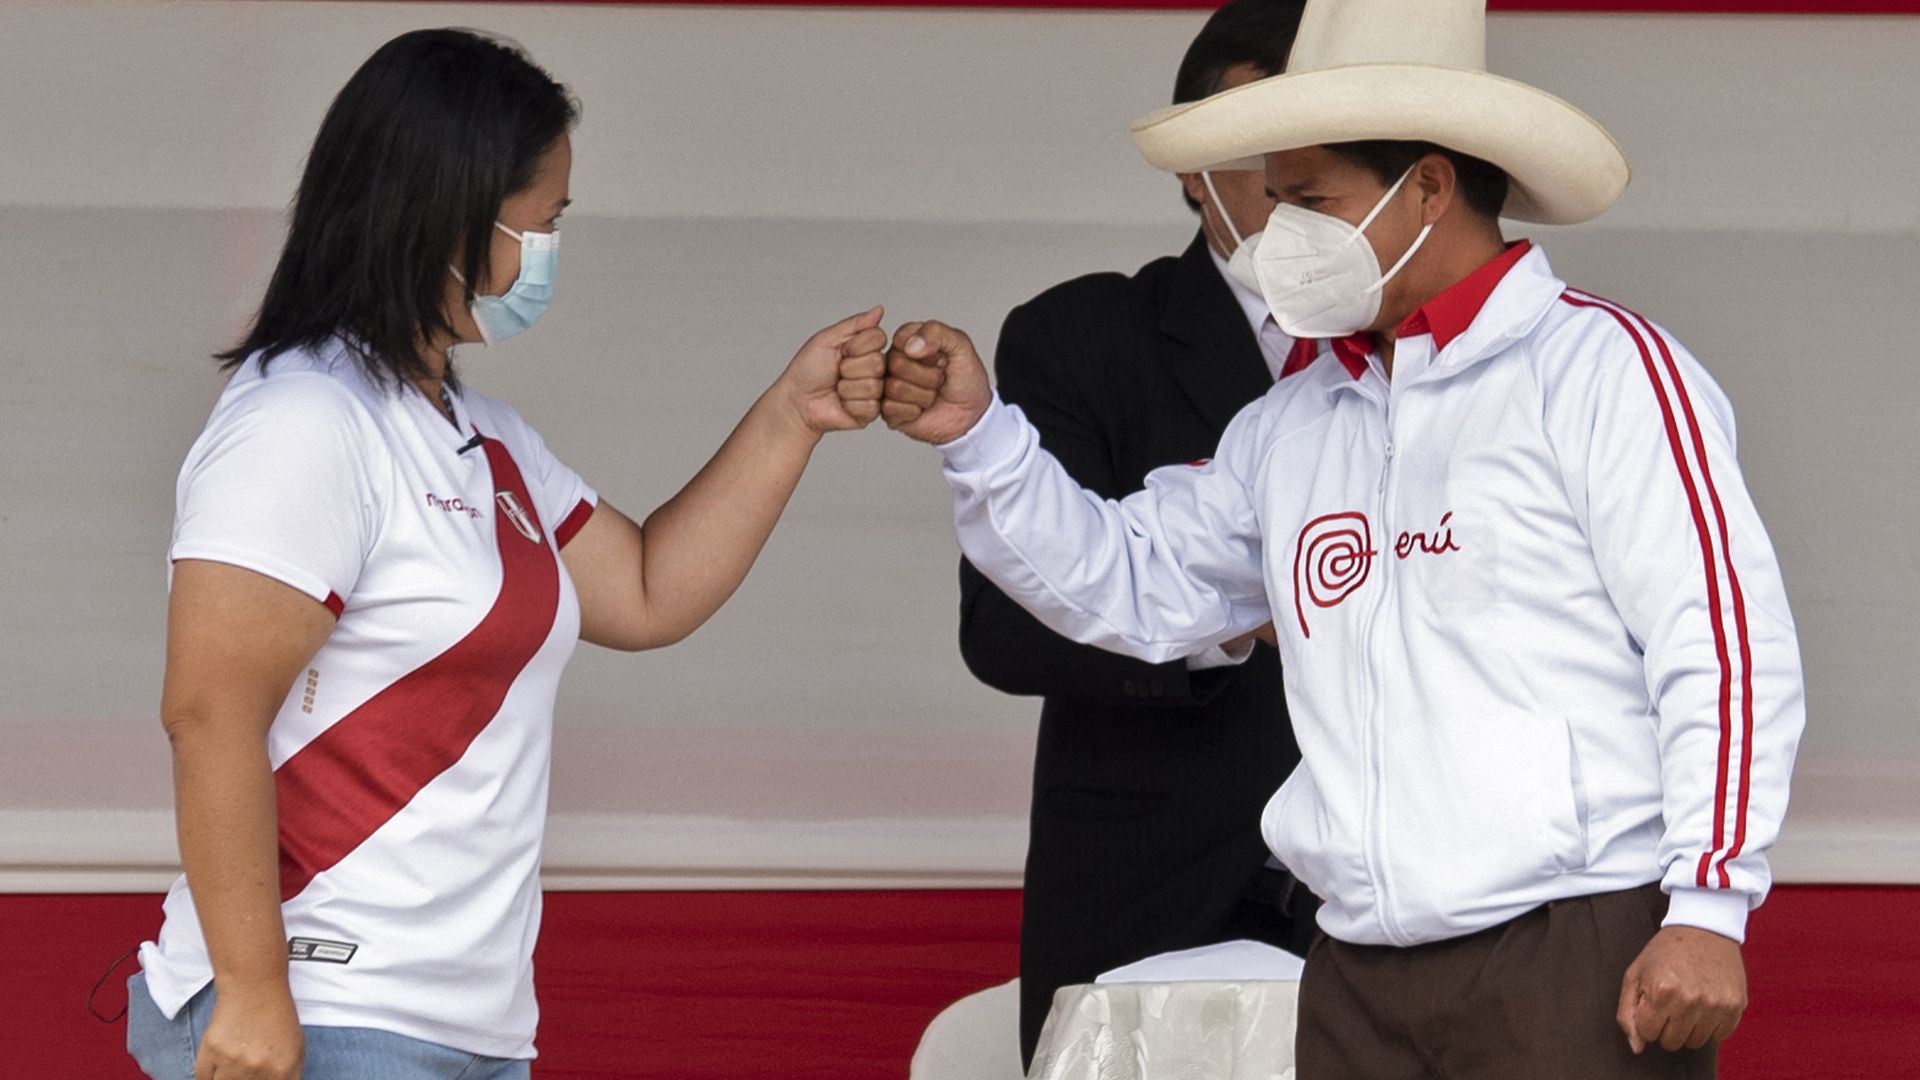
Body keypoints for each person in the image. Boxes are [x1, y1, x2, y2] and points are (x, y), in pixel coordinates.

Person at [859, 0, 1805, 1075]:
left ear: (1430, 188)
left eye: (1310, 200)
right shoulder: (1292, 423)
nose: (1279, 233)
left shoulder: (1603, 372)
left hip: (1571, 944)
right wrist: (980, 437)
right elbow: (1129, 582)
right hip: (1357, 967)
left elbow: (1723, 643)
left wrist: (1710, 904)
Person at [129, 29, 886, 1080]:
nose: (552, 248)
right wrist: (255, 995)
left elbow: (649, 589)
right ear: (448, 215)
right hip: (329, 1011)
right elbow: (209, 711)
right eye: (545, 221)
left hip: (467, 1028)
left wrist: (790, 416)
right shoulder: (303, 421)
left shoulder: (482, 437)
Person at [952, 0, 1315, 1063]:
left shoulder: (1422, 355)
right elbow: (1008, 631)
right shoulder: (1084, 336)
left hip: (1393, 903)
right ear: (1190, 168)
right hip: (1150, 888)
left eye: (1324, 148)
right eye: (1258, 150)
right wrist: (1237, 624)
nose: (1294, 181)